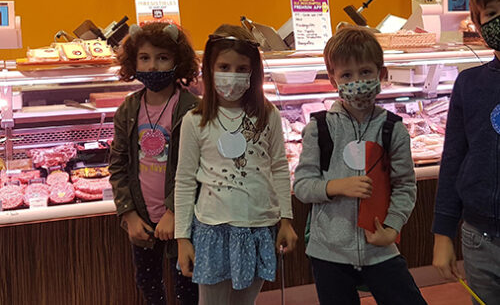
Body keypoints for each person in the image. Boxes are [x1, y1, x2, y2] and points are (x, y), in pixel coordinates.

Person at [294, 26, 426, 305]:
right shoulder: (319, 128)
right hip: (328, 252)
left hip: (380, 247)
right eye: (346, 75)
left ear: (381, 73)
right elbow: (303, 186)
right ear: (333, 80)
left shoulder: (393, 129)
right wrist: (336, 186)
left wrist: (392, 227)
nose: (357, 81)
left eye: (365, 72)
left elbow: (405, 185)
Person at [174, 24, 298, 305]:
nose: (232, 75)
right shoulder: (195, 120)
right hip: (213, 229)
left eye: (242, 68)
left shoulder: (268, 115)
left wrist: (286, 220)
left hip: (260, 227)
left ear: (253, 71)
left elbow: (279, 167)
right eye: (224, 67)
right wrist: (183, 238)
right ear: (209, 68)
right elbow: (184, 181)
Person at [109, 22, 200, 305]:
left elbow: (198, 169)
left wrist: (174, 212)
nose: (152, 66)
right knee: (148, 284)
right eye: (144, 58)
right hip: (142, 218)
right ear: (133, 62)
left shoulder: (192, 109)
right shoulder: (128, 109)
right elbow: (118, 164)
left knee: (188, 285)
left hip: (184, 220)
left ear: (177, 61)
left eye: (162, 58)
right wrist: (128, 214)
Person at [433, 0, 500, 304]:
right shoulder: (469, 84)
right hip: (479, 238)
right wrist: (443, 233)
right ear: (478, 23)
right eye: (491, 13)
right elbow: (453, 159)